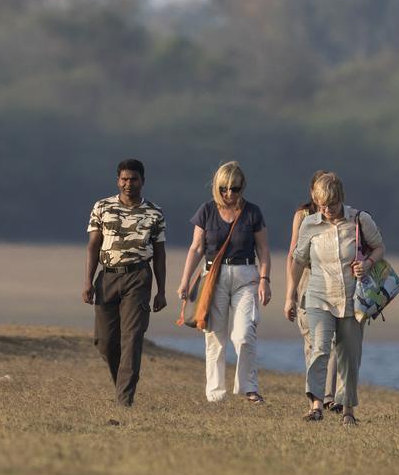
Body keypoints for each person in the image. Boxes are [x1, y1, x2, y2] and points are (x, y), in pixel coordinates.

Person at [285, 172, 384, 425]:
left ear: (341, 198)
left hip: (352, 299)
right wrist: (290, 296)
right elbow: (298, 260)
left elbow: (379, 247)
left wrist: (367, 262)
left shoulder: (361, 220)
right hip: (318, 296)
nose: (326, 209)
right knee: (319, 350)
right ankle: (316, 405)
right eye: (321, 205)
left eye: (331, 204)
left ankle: (348, 410)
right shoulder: (310, 224)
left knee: (349, 355)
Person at [176, 161, 271, 403]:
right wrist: (185, 281)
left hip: (246, 276)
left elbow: (263, 249)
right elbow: (196, 248)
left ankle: (249, 387)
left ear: (243, 188)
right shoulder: (206, 211)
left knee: (244, 334)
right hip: (214, 278)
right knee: (215, 337)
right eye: (223, 188)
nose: (229, 194)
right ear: (216, 187)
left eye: (235, 189)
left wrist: (264, 280)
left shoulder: (252, 212)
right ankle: (215, 393)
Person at [83, 159, 168, 407]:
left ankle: (124, 400)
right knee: (105, 342)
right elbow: (93, 246)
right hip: (107, 276)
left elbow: (160, 254)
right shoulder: (102, 207)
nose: (128, 184)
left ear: (143, 181)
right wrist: (87, 281)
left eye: (133, 179)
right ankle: (121, 383)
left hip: (138, 277)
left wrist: (161, 291)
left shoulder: (154, 213)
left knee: (132, 338)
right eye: (124, 179)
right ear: (118, 180)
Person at [286, 170, 340, 412]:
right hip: (308, 276)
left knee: (336, 341)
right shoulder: (304, 215)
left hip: (336, 277)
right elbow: (294, 253)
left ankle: (329, 396)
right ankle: (316, 396)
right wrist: (292, 290)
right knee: (312, 340)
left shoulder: (343, 216)